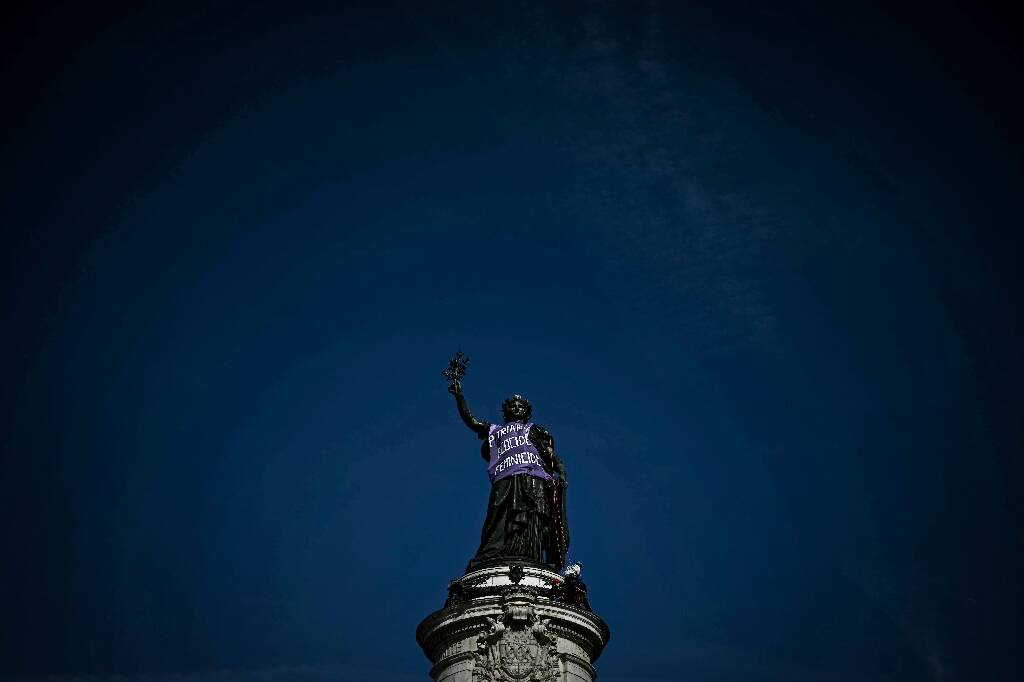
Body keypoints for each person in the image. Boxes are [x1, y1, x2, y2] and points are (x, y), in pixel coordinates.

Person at [449, 380, 569, 571]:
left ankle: (529, 555)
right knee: (497, 514)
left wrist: (561, 471)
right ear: (505, 411)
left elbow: (550, 454)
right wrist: (459, 395)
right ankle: (493, 553)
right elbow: (472, 421)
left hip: (533, 477)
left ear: (527, 411)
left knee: (532, 517)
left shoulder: (533, 430)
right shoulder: (495, 430)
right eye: (512, 405)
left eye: (521, 405)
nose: (516, 407)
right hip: (505, 477)